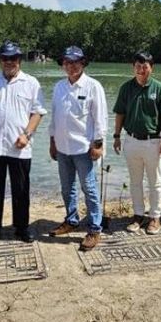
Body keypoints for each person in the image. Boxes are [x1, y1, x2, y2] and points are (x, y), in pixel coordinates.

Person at [0, 41, 46, 249]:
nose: (9, 62)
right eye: (5, 58)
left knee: (21, 189)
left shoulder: (31, 82)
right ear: (0, 61)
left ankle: (21, 227)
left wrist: (28, 134)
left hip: (20, 146)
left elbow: (38, 111)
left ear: (19, 60)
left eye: (13, 58)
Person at [48, 46, 107, 251]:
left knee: (89, 188)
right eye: (67, 62)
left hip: (84, 148)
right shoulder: (58, 87)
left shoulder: (93, 86)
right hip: (63, 148)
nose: (71, 66)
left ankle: (94, 228)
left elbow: (100, 118)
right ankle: (71, 220)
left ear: (83, 63)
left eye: (75, 62)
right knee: (67, 189)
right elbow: (55, 116)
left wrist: (98, 144)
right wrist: (52, 141)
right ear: (63, 64)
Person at [112, 51, 161, 235]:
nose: (141, 70)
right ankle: (138, 215)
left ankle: (155, 216)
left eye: (145, 66)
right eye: (138, 66)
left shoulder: (160, 89)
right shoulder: (126, 88)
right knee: (135, 181)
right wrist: (116, 136)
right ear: (133, 68)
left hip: (153, 141)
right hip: (131, 140)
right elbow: (120, 113)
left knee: (155, 181)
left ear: (151, 68)